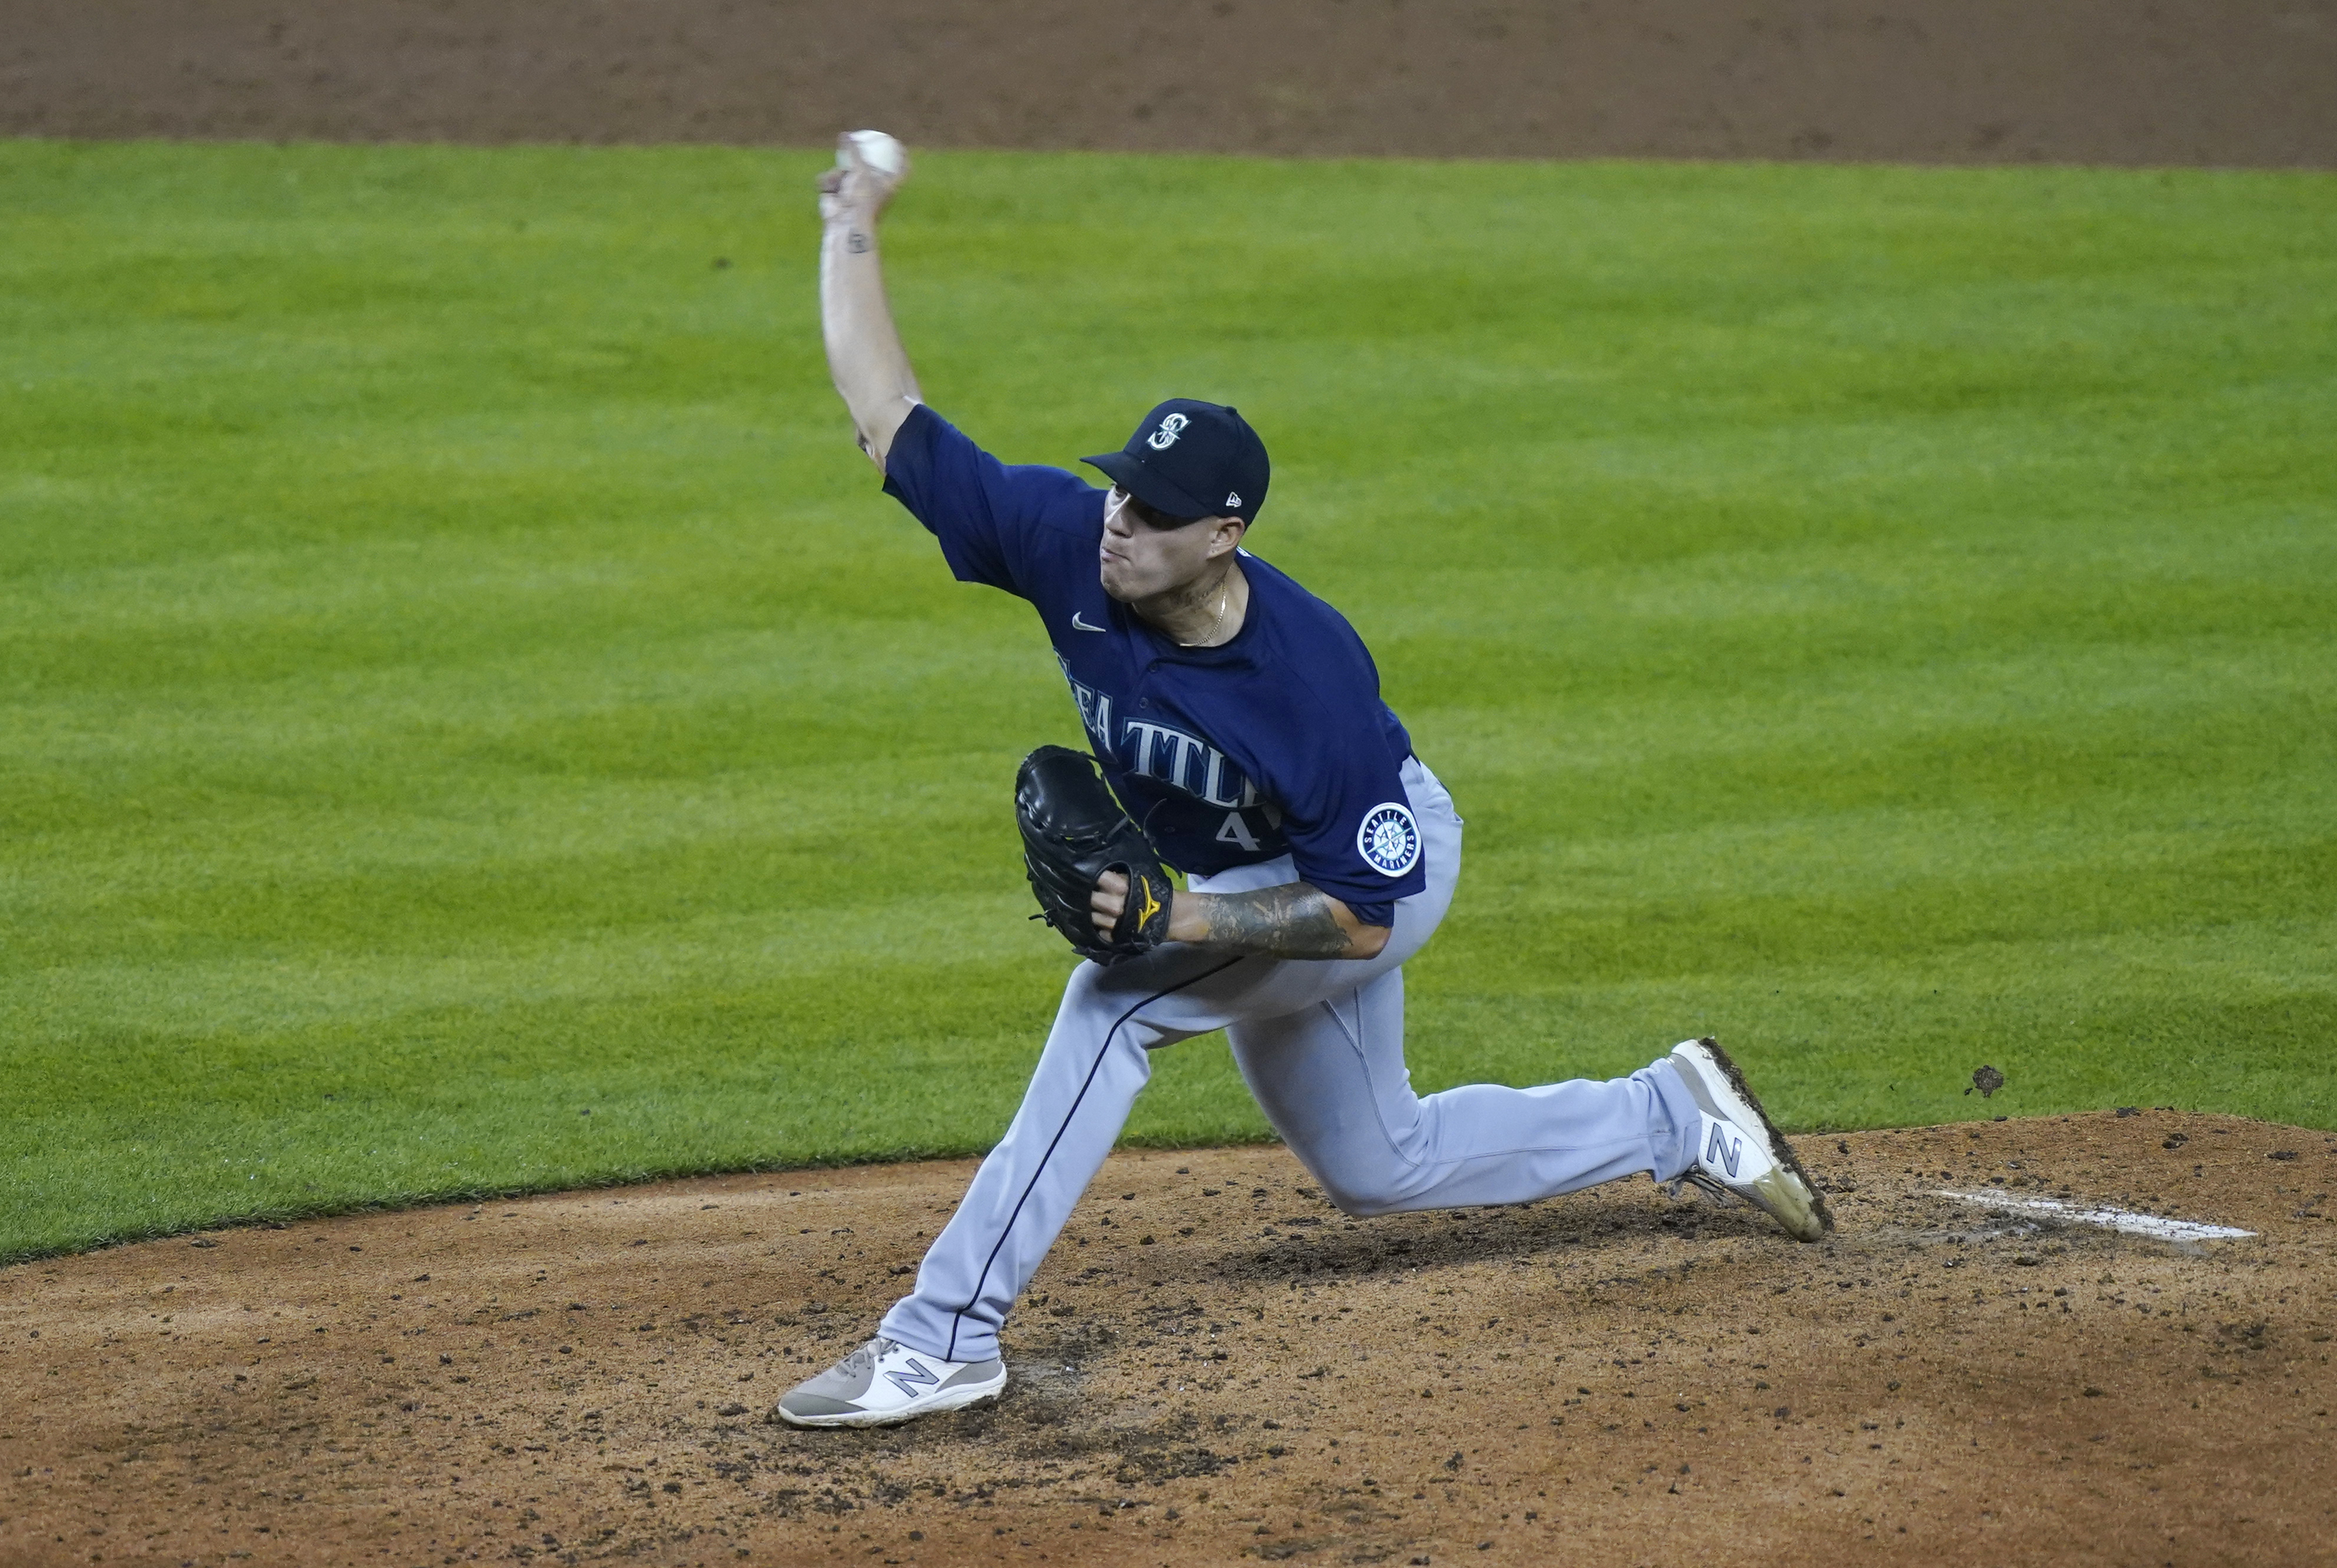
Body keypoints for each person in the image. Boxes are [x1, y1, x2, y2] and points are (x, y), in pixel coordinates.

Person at [777, 133, 1828, 1430]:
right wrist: (853, 217)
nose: (1119, 522)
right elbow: (886, 415)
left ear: (1223, 535)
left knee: (1110, 1005)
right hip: (1255, 881)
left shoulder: (1305, 677)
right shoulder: (1066, 542)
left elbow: (1362, 912)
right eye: (1118, 492)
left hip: (1367, 874)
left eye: (1155, 513)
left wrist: (1174, 925)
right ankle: (1670, 1113)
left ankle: (943, 1337)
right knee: (1377, 1163)